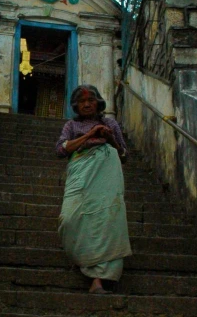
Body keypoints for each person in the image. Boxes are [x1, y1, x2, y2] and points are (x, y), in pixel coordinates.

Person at [55, 84, 131, 294]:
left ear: (98, 103)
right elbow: (61, 149)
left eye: (91, 100)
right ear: (76, 106)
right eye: (82, 101)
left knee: (106, 221)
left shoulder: (110, 123)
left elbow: (124, 155)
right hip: (81, 173)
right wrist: (89, 136)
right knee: (69, 218)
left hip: (107, 173)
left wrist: (110, 139)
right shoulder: (71, 126)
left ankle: (98, 280)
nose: (87, 104)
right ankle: (81, 258)